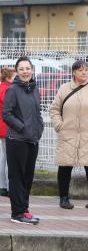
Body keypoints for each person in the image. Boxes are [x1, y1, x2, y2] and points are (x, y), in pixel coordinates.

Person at [49, 60, 88, 210]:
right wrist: (59, 125)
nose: (84, 72)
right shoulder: (64, 89)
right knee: (65, 166)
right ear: (73, 73)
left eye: (86, 70)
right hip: (67, 133)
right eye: (80, 70)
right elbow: (54, 109)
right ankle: (64, 198)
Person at [2, 57, 44, 225]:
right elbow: (7, 114)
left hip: (32, 139)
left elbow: (38, 112)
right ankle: (17, 213)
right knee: (17, 177)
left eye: (28, 68)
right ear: (17, 71)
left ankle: (24, 210)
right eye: (22, 69)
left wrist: (39, 128)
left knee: (28, 177)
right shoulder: (12, 90)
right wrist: (22, 128)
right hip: (17, 139)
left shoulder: (34, 88)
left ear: (32, 70)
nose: (25, 71)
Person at [0, 66, 17, 196]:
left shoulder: (1, 87)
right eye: (15, 77)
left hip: (2, 127)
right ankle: (9, 187)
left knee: (4, 157)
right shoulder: (9, 89)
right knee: (10, 158)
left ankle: (2, 185)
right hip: (8, 127)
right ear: (8, 77)